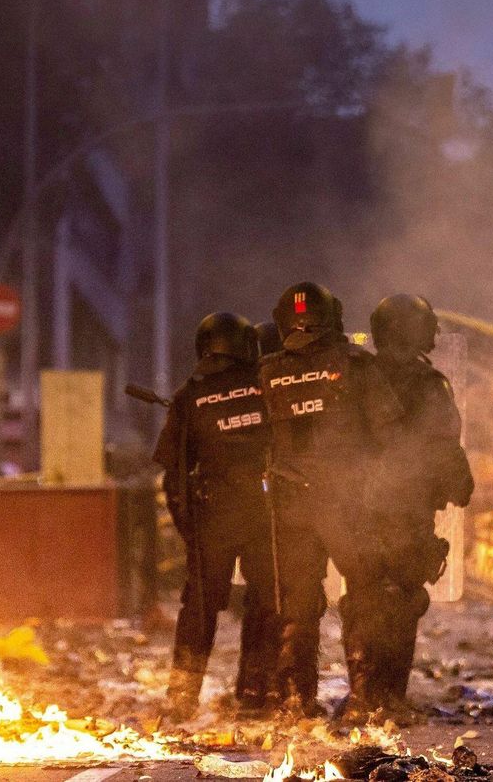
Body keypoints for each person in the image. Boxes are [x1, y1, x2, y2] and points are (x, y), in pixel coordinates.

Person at [259, 282, 404, 720]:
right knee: (363, 594)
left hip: (290, 505)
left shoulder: (267, 372)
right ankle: (363, 699)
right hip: (346, 501)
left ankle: (295, 701)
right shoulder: (357, 365)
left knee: (297, 604)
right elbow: (390, 435)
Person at [348, 294, 475, 721]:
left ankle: (364, 698)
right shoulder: (427, 383)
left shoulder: (356, 375)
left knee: (364, 597)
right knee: (401, 600)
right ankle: (390, 700)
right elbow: (443, 445)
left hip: (358, 507)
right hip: (406, 506)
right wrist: (460, 485)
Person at [151, 312, 277, 721]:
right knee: (265, 603)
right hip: (262, 514)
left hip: (212, 517)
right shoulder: (264, 384)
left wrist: (191, 530)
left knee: (199, 608)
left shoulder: (190, 395)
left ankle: (182, 697)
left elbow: (173, 474)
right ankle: (254, 693)